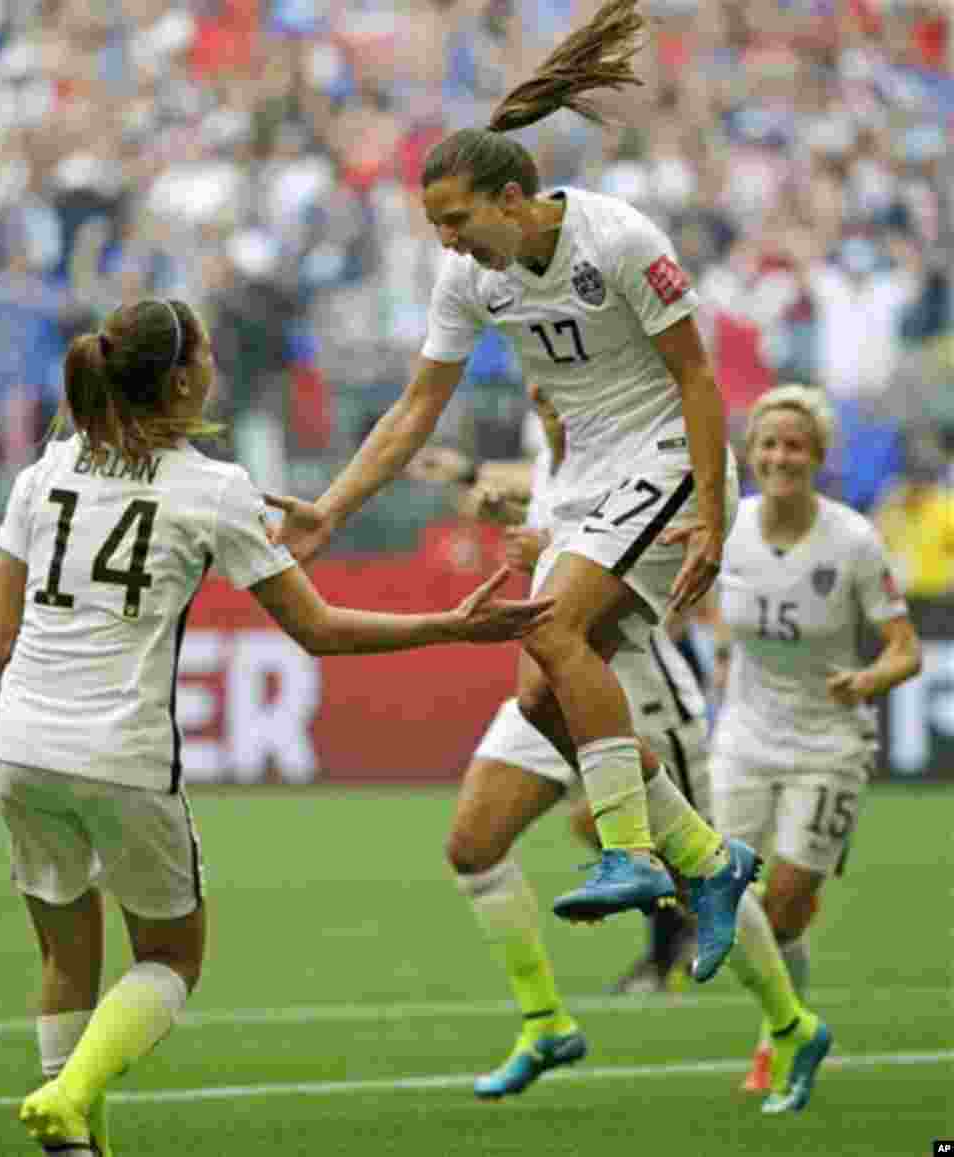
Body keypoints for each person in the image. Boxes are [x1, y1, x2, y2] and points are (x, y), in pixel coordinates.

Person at [0, 299, 553, 1156]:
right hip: (121, 749)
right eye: (203, 349)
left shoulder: (41, 473)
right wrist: (449, 627)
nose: (213, 359)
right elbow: (317, 629)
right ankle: (70, 1093)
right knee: (172, 954)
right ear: (181, 378)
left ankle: (71, 1140)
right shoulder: (212, 487)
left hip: (18, 741)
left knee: (65, 957)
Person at [269, 0, 759, 989]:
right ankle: (705, 859)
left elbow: (699, 378)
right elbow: (415, 410)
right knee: (542, 697)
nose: (447, 243)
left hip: (665, 455)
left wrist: (711, 504)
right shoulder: (472, 280)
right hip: (585, 478)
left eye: (456, 220)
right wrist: (333, 506)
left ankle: (632, 850)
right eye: (434, 226)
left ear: (511, 195)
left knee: (551, 628)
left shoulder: (618, 239)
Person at [412, 387, 831, 1113]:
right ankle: (546, 1021)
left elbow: (648, 570)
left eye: (552, 369)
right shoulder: (549, 459)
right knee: (472, 845)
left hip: (634, 685)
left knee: (705, 877)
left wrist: (546, 551)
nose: (540, 385)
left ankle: (790, 1024)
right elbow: (529, 509)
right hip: (545, 684)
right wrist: (511, 519)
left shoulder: (639, 452)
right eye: (532, 370)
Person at [709, 384, 922, 1106]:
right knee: (717, 899)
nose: (779, 456)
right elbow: (692, 600)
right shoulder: (726, 528)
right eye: (768, 443)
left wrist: (867, 679)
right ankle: (794, 1025)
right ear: (750, 453)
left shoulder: (854, 540)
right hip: (742, 736)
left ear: (819, 457)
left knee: (787, 904)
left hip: (829, 743)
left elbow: (906, 651)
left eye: (794, 445)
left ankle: (781, 1037)